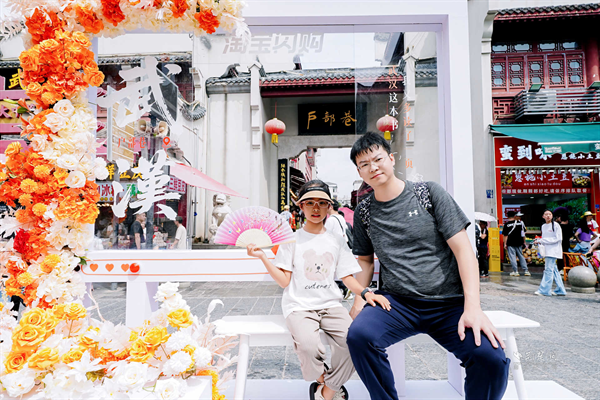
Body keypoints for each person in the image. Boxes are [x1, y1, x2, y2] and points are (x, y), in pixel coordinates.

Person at [346, 132, 509, 400]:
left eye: (377, 159)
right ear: (359, 171)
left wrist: (473, 307)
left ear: (391, 158)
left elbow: (464, 251)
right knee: (359, 336)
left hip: (448, 303)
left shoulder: (428, 193)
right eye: (364, 164)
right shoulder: (364, 211)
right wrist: (359, 297)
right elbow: (364, 260)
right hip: (396, 303)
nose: (373, 167)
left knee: (491, 359)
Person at [246, 180, 391, 400]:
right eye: (310, 202)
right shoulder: (291, 240)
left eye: (322, 203)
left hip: (331, 305)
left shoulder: (336, 240)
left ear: (329, 206)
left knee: (356, 342)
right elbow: (284, 281)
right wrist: (264, 258)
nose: (316, 208)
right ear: (301, 206)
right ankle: (326, 382)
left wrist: (365, 293)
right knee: (308, 347)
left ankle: (326, 392)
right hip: (299, 307)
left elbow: (347, 277)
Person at [534, 209, 567, 296]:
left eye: (550, 214)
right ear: (543, 216)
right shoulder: (543, 226)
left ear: (552, 216)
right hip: (547, 250)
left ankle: (544, 290)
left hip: (553, 251)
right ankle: (561, 290)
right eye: (546, 214)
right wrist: (540, 241)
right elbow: (544, 238)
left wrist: (542, 240)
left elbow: (558, 238)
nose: (548, 216)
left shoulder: (556, 225)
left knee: (548, 270)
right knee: (554, 271)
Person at [502, 211, 530, 277]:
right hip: (519, 243)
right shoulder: (520, 223)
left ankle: (515, 271)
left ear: (507, 216)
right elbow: (523, 234)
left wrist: (505, 244)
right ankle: (526, 271)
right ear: (514, 216)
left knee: (512, 257)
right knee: (521, 256)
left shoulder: (507, 225)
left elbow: (505, 236)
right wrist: (524, 242)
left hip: (510, 243)